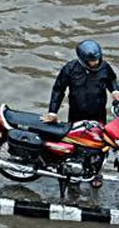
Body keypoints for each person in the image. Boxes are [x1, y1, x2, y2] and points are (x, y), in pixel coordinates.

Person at [44, 39, 119, 187]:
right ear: (83, 60)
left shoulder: (104, 67)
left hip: (97, 113)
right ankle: (74, 173)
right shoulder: (69, 69)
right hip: (77, 114)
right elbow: (58, 90)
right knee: (76, 143)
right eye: (92, 61)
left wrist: (115, 90)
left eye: (97, 59)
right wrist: (52, 112)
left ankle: (96, 173)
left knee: (100, 146)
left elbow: (112, 80)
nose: (95, 63)